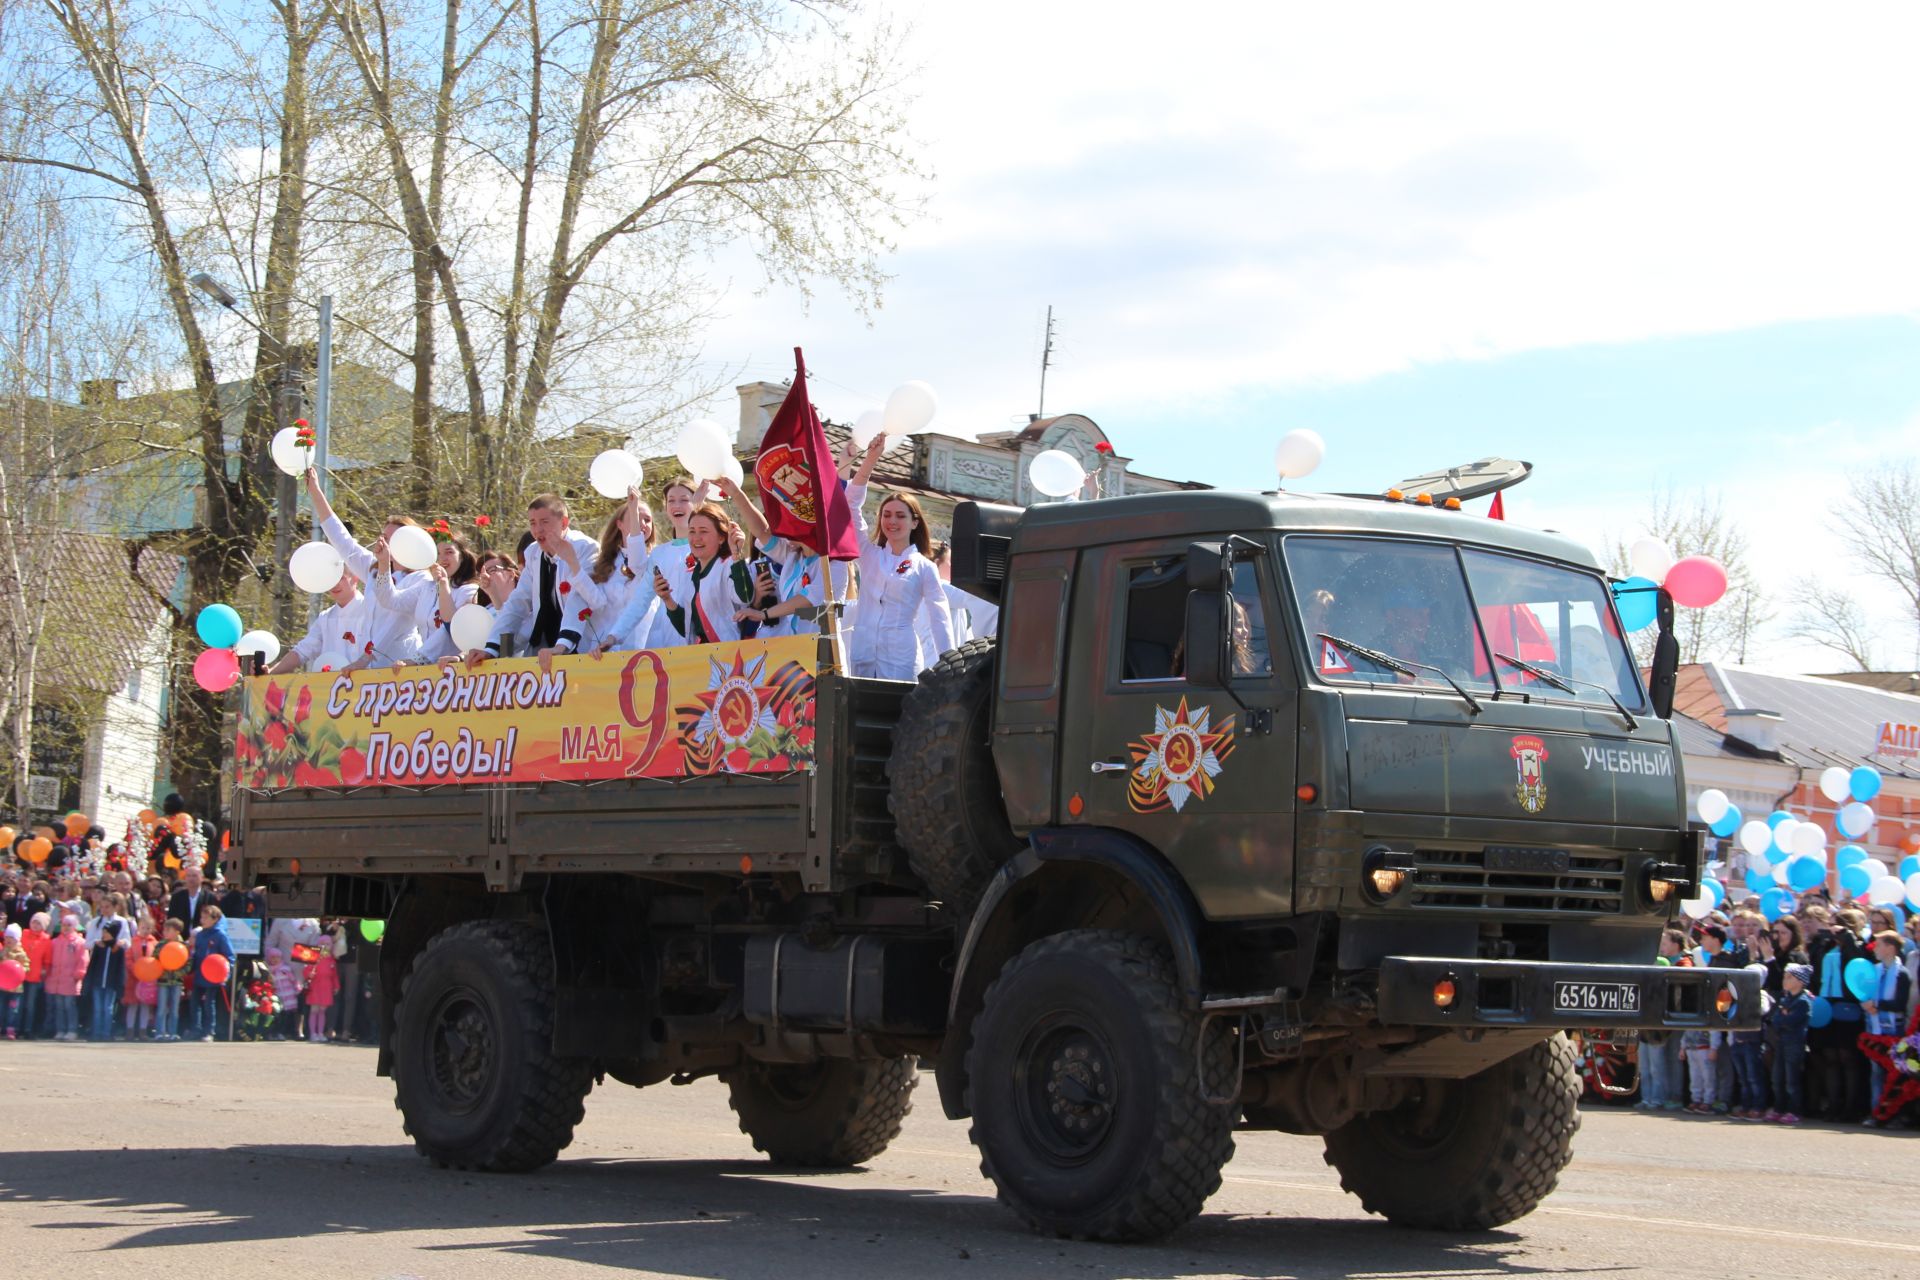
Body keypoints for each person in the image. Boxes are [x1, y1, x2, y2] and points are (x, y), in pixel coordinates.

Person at [845, 440, 954, 679]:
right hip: (863, 655)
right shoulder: (869, 555)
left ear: (914, 522)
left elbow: (940, 617)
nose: (891, 521)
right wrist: (871, 460)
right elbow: (850, 504)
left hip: (899, 661)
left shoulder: (924, 567)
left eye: (900, 516)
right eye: (886, 515)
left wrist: (950, 664)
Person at [306, 468, 425, 666]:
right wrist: (316, 492)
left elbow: (395, 623)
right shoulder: (372, 568)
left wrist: (364, 659)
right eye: (383, 536)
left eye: (389, 538)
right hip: (370, 668)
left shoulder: (420, 579)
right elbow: (341, 540)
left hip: (400, 668)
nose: (382, 541)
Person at [469, 494, 604, 665]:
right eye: (532, 523)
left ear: (564, 523)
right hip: (542, 645)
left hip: (582, 646)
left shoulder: (586, 548)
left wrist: (562, 645)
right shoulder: (533, 553)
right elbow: (517, 603)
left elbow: (578, 600)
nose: (538, 530)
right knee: (511, 662)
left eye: (544, 522)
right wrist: (491, 649)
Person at [713, 472, 845, 639]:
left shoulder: (834, 563)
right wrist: (737, 494)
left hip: (824, 654)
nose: (782, 529)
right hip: (796, 651)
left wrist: (764, 614)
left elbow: (807, 600)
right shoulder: (792, 556)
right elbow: (762, 531)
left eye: (789, 522)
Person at [651, 502, 754, 646]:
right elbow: (687, 629)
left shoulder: (729, 565)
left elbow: (745, 597)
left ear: (721, 537)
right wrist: (667, 599)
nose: (696, 538)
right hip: (702, 657)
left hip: (731, 654)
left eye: (703, 531)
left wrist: (736, 554)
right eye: (692, 531)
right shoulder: (691, 574)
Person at [370, 531, 479, 663]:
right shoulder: (426, 587)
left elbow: (449, 629)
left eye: (449, 552)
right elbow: (388, 599)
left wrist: (418, 659)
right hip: (428, 669)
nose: (443, 558)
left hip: (455, 668)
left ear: (462, 557)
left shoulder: (469, 591)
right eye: (438, 554)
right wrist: (383, 563)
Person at [269, 564, 370, 674]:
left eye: (341, 578)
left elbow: (381, 648)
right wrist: (270, 672)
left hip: (367, 687)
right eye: (330, 579)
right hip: (329, 687)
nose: (334, 584)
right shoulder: (325, 617)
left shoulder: (372, 611)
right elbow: (302, 651)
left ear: (356, 578)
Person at [1859, 929, 1913, 1128]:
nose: (1874, 948)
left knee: (1897, 1075)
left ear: (1891, 947)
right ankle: (1876, 1113)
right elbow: (1864, 992)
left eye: (1879, 944)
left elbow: (1900, 1003)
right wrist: (1866, 1004)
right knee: (1876, 1074)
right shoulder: (1875, 970)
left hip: (1894, 1032)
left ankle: (1895, 1115)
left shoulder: (1902, 973)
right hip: (1875, 1029)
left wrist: (1877, 1005)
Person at [1764, 963, 1815, 1123]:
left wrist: (1784, 1017)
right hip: (1782, 1042)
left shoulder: (1803, 1001)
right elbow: (1776, 1020)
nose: (1785, 980)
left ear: (1800, 982)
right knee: (1777, 1077)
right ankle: (1779, 1108)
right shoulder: (1785, 999)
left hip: (1795, 1043)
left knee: (1792, 1080)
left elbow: (1792, 1021)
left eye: (1789, 977)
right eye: (1785, 977)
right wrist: (1783, 1016)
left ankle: (1795, 1110)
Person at [187, 904, 234, 1041]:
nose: (203, 920)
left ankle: (209, 1031)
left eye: (206, 918)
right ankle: (196, 1029)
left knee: (209, 1003)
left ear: (215, 919)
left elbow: (229, 956)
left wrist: (226, 973)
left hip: (213, 976)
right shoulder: (200, 934)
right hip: (199, 974)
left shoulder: (220, 935)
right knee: (194, 1002)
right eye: (202, 917)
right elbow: (196, 954)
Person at [45, 914, 87, 1041]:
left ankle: (72, 1030)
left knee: (70, 1007)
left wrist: (78, 974)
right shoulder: (55, 942)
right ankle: (60, 1030)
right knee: (59, 1007)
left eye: (69, 925)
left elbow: (83, 960)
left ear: (75, 927)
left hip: (70, 980)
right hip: (56, 980)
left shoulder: (80, 942)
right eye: (64, 925)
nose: (66, 927)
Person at [123, 916, 158, 1041]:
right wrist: (134, 969)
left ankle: (143, 1031)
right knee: (132, 1005)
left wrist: (150, 972)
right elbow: (128, 958)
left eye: (148, 928)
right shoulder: (133, 942)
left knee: (145, 1005)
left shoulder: (154, 943)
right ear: (138, 927)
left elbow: (156, 959)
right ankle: (130, 1030)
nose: (146, 930)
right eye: (143, 927)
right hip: (134, 978)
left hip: (148, 979)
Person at [153, 918, 187, 1042]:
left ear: (177, 932)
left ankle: (173, 1032)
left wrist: (179, 973)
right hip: (163, 980)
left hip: (177, 981)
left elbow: (188, 963)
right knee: (161, 1007)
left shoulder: (184, 946)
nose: (165, 932)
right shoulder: (160, 945)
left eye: (168, 930)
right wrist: (161, 971)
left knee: (174, 1008)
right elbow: (155, 960)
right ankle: (159, 1032)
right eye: (164, 929)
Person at [17, 912, 49, 1039]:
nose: (35, 925)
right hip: (20, 974)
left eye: (39, 923)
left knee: (30, 1005)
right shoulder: (23, 934)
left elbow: (47, 959)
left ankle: (28, 1029)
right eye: (34, 922)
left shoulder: (46, 939)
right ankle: (16, 1028)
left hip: (35, 977)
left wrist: (44, 970)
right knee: (19, 1004)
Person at [306, 929, 341, 1042]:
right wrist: (309, 974)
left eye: (327, 944)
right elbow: (306, 970)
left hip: (327, 987)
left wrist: (336, 986)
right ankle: (313, 1033)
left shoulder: (332, 960)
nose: (325, 946)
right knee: (314, 1010)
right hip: (315, 986)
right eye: (322, 944)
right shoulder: (313, 956)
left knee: (322, 1011)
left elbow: (334, 975)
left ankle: (320, 1033)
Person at [166, 866, 217, 937]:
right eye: (188, 876)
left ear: (202, 878)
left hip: (202, 936)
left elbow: (215, 918)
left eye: (194, 876)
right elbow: (171, 917)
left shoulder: (209, 897)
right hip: (180, 936)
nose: (191, 879)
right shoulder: (177, 896)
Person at [0, 925, 28, 1039]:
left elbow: (26, 965)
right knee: (1, 1007)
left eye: (11, 937)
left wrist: (22, 970)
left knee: (13, 1009)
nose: (8, 940)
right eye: (6, 937)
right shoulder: (2, 952)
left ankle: (11, 1029)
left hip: (16, 989)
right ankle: (1, 1027)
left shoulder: (21, 953)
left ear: (17, 939)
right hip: (3, 987)